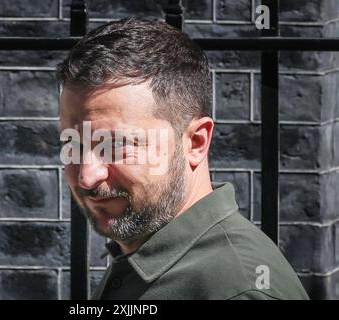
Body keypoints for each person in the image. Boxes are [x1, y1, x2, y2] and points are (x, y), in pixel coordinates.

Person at [57, 16, 309, 300]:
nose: (87, 175)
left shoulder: (238, 291)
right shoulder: (145, 250)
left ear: (196, 142)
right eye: (73, 144)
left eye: (116, 146)